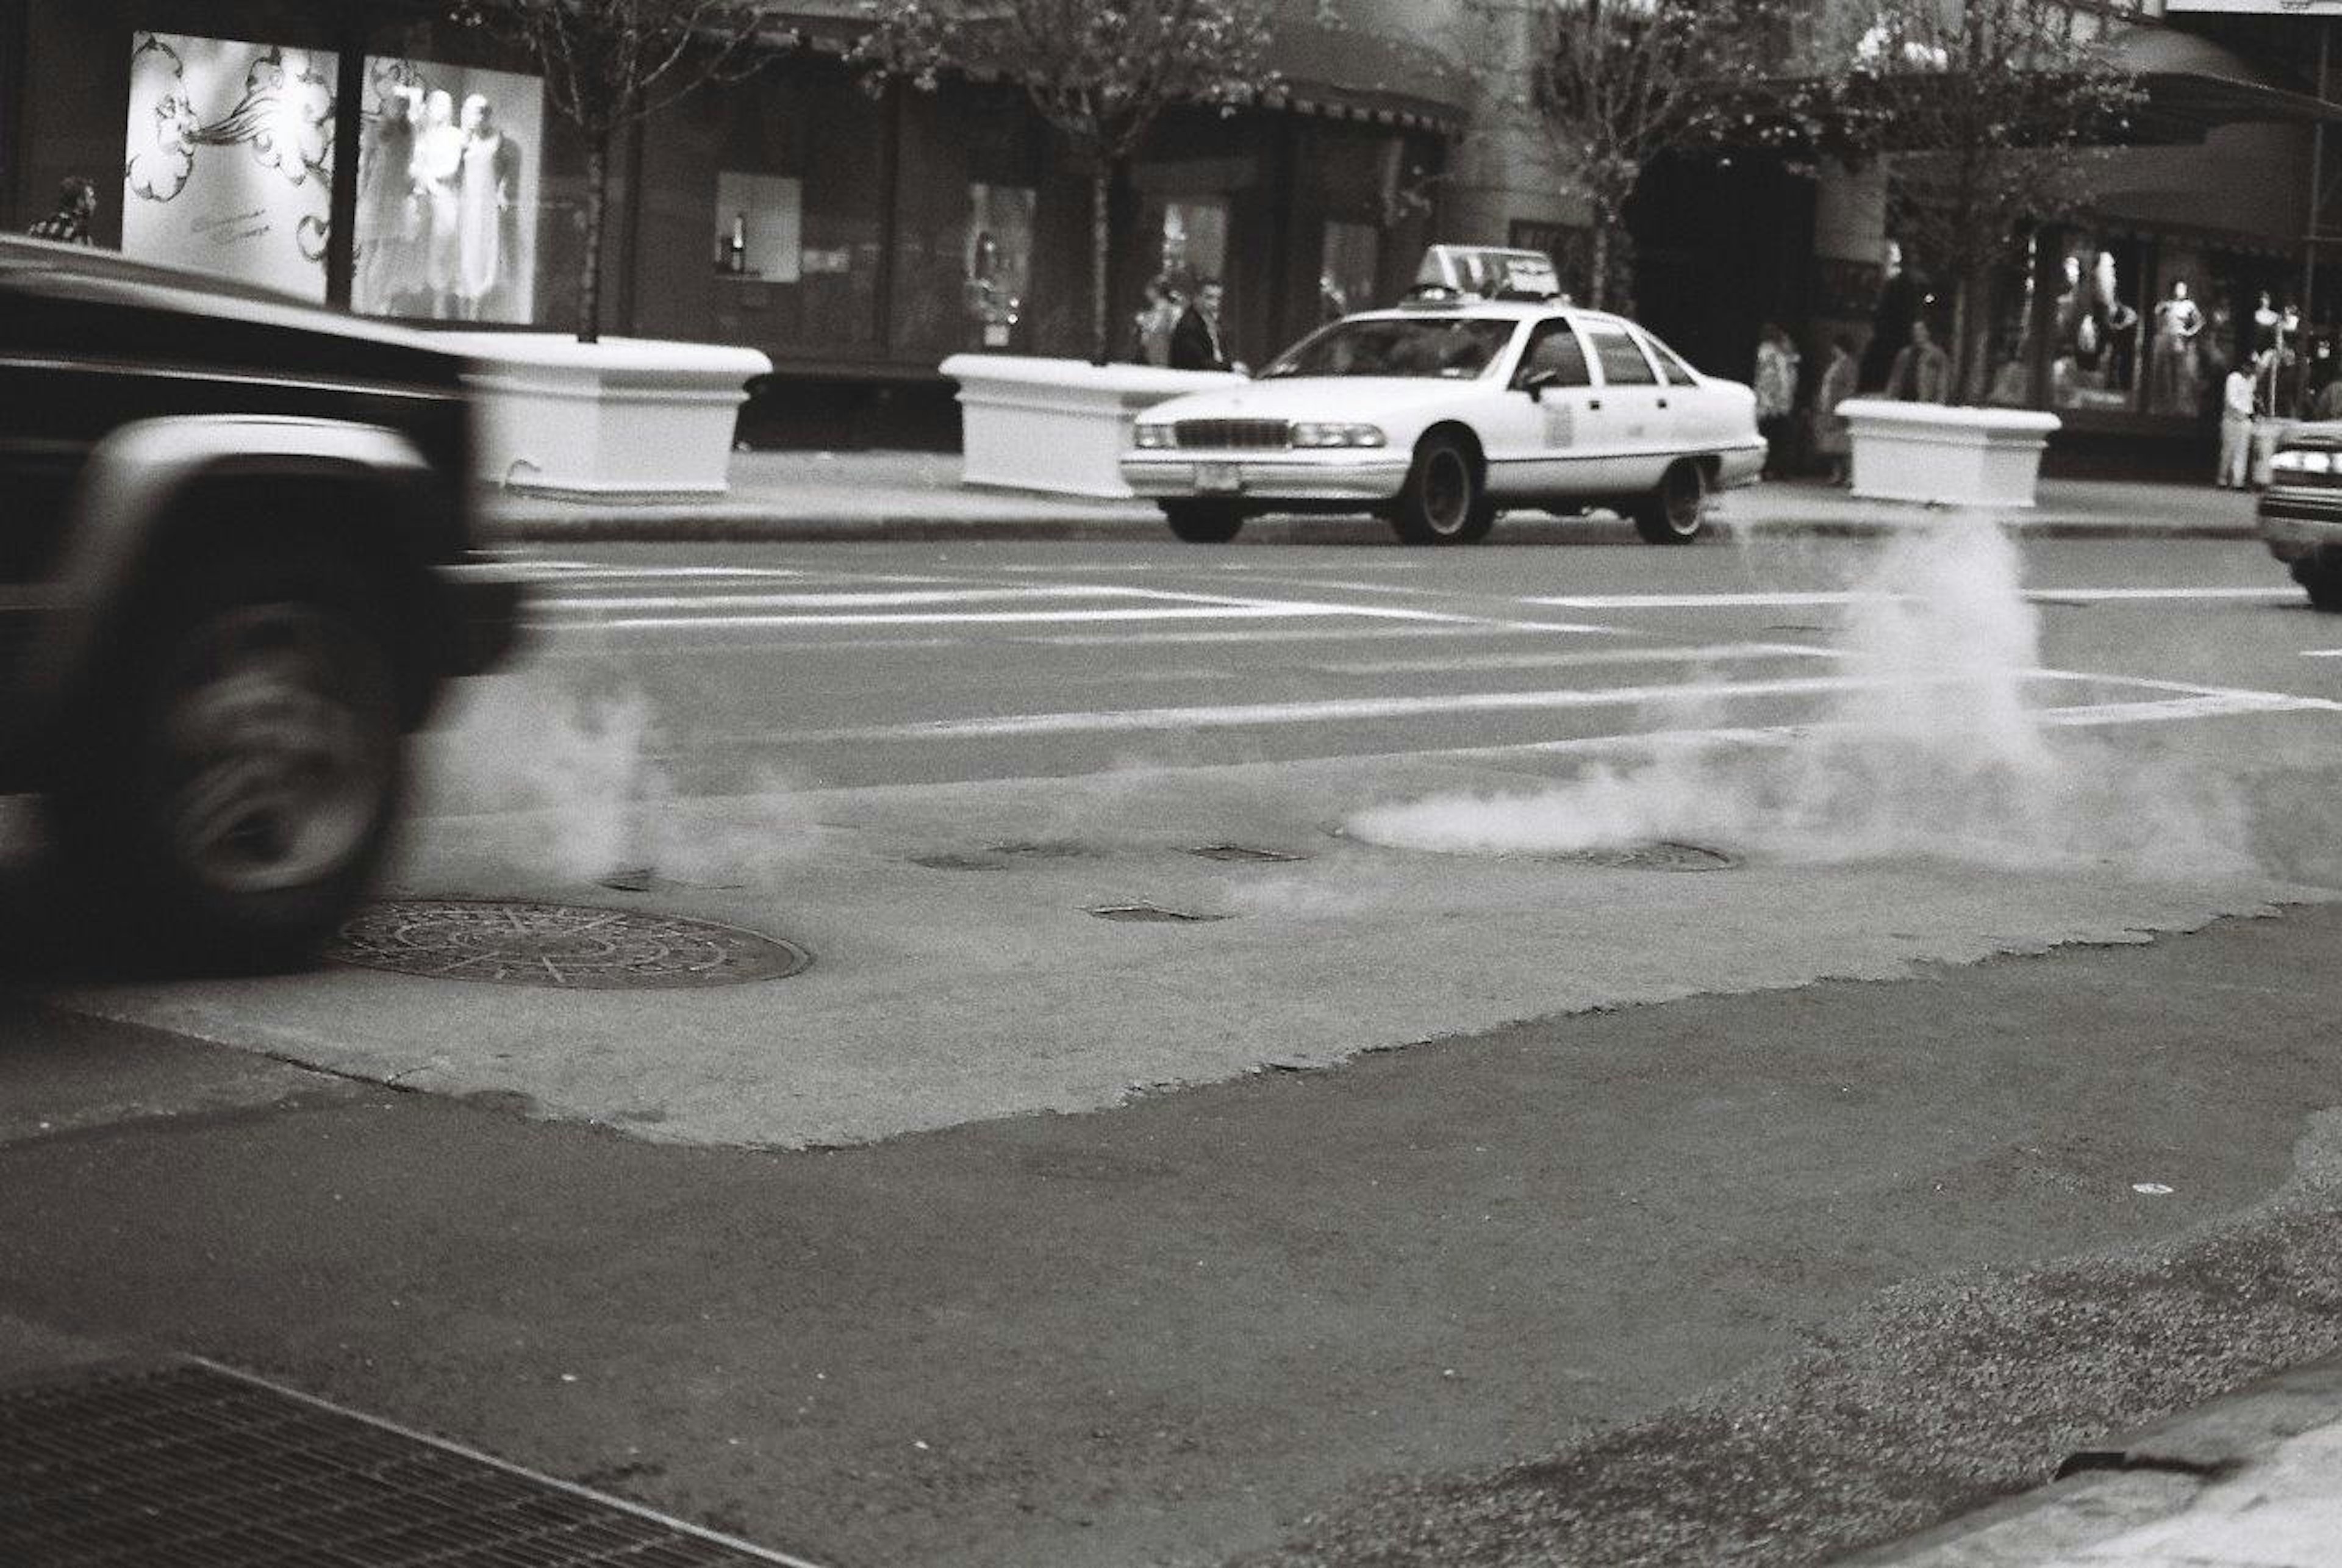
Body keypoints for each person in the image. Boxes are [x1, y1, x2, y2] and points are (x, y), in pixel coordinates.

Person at [1752, 322, 1800, 479]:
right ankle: (1779, 469)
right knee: (1781, 436)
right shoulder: (1781, 353)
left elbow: (1763, 377)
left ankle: (1766, 469)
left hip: (1768, 399)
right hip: (1779, 400)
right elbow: (1785, 377)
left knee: (1767, 435)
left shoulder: (1766, 351)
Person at [1811, 333, 1858, 487]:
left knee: (1844, 444)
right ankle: (1837, 473)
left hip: (1839, 406)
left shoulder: (1849, 364)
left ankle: (1850, 475)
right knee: (1832, 444)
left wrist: (1843, 406)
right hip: (1828, 407)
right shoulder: (1835, 364)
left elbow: (1850, 387)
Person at [1170, 277, 1234, 371]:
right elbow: (1199, 363)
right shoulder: (1188, 326)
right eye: (1209, 298)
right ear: (1197, 297)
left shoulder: (1215, 323)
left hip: (1215, 377)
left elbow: (1222, 355)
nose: (1215, 304)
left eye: (1218, 298)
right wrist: (1230, 368)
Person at [1885, 318, 1951, 404]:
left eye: (1921, 330)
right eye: (1915, 330)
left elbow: (1943, 380)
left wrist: (1941, 401)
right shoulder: (1905, 354)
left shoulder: (1937, 354)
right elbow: (1895, 378)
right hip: (1903, 400)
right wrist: (1889, 397)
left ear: (1927, 332)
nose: (1917, 333)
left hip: (1925, 401)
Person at [2219, 355, 2257, 489]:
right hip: (2232, 418)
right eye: (2250, 366)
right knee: (2228, 449)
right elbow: (2231, 400)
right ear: (2244, 366)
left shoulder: (2252, 380)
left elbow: (2251, 397)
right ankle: (2223, 478)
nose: (2252, 369)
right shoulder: (2233, 378)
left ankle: (2237, 481)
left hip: (2245, 419)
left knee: (2242, 451)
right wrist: (2244, 411)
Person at [26, 176, 96, 245]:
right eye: (91, 198)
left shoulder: (37, 226)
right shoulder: (80, 236)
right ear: (80, 202)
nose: (94, 202)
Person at [1132, 276, 1180, 367]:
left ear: (1156, 291)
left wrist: (1143, 321)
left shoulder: (1162, 306)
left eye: (1149, 289)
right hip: (1158, 344)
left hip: (1160, 345)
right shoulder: (1164, 306)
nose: (1146, 292)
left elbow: (1154, 327)